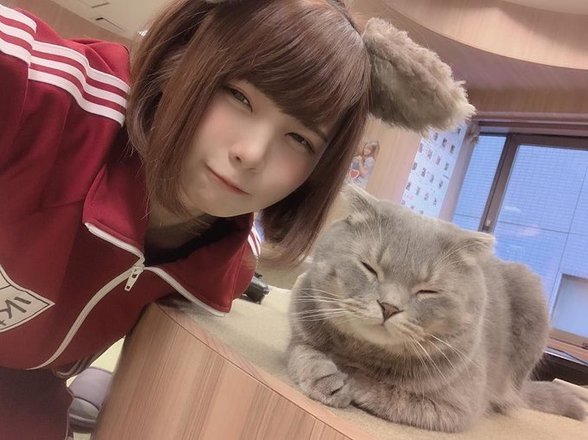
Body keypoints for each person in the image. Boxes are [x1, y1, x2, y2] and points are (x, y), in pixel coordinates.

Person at [0, 0, 474, 438]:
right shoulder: (34, 90)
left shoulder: (226, 265)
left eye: (300, 139)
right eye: (238, 96)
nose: (252, 153)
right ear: (182, 58)